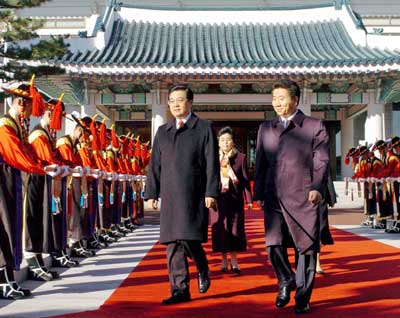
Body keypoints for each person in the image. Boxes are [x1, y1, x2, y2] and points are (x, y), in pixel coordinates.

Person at [254, 80, 329, 314]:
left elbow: (322, 160)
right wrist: (258, 193)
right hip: (274, 196)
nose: (277, 103)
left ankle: (303, 299)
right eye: (274, 98)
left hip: (304, 196)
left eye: (282, 98)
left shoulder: (313, 126)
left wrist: (317, 187)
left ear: (295, 100)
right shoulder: (266, 128)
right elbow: (261, 162)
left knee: (306, 249)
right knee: (273, 244)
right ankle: (286, 280)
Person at [145, 85, 220, 305]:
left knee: (189, 236)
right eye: (172, 101)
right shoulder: (163, 132)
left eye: (180, 100)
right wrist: (152, 192)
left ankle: (202, 266)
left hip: (194, 193)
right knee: (172, 243)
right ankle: (179, 290)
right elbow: (154, 165)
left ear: (190, 102)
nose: (175, 104)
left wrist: (211, 191)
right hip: (169, 194)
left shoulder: (203, 128)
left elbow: (211, 164)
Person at [0, 80, 46, 299]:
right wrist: (43, 169)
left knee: (11, 228)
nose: (30, 113)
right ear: (20, 103)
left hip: (11, 180)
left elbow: (26, 152)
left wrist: (44, 166)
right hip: (3, 182)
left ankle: (8, 279)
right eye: (29, 107)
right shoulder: (5, 126)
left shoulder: (16, 126)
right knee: (5, 227)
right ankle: (4, 282)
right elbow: (16, 155)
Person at [210, 126, 252, 274]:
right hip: (218, 199)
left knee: (235, 228)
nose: (225, 143)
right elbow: (209, 179)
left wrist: (249, 200)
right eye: (222, 140)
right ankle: (223, 260)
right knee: (221, 229)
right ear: (218, 142)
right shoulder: (213, 158)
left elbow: (245, 180)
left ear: (233, 142)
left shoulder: (241, 157)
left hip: (235, 199)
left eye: (228, 140)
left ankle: (234, 260)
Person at [316, 169, 336, 274]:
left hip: (321, 198)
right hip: (303, 197)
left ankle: (316, 262)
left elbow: (327, 175)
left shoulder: (320, 154)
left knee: (320, 229)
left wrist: (331, 197)